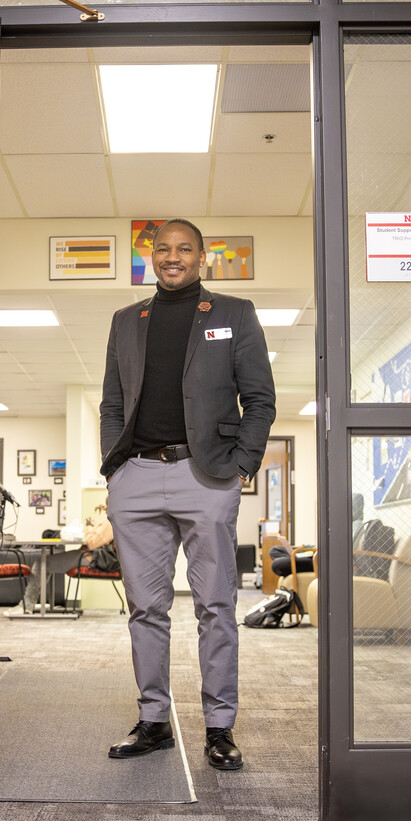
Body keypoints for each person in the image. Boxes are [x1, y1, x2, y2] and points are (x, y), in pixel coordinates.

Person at [99, 218, 276, 770]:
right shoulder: (127, 321)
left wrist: (242, 466)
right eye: (163, 249)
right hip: (138, 477)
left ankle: (219, 727)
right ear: (151, 257)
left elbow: (260, 399)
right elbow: (111, 403)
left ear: (202, 257)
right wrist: (116, 470)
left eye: (185, 249)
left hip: (207, 476)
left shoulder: (233, 314)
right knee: (146, 610)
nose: (173, 257)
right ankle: (154, 721)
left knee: (215, 607)